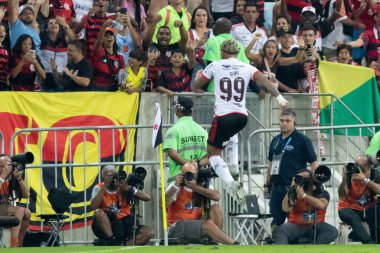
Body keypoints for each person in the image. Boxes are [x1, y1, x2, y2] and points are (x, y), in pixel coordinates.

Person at [194, 39, 289, 186]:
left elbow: (197, 85)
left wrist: (198, 81)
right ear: (237, 53)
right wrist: (279, 97)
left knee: (213, 154)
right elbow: (264, 81)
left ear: (222, 52)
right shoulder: (247, 67)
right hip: (241, 116)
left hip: (223, 116)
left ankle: (232, 183)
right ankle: (233, 167)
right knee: (229, 137)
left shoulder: (215, 65)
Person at [264, 109, 319, 228]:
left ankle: (297, 245)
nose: (284, 123)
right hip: (276, 188)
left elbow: (313, 162)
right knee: (275, 221)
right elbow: (271, 163)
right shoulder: (275, 140)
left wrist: (316, 183)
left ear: (294, 123)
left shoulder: (302, 140)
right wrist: (266, 184)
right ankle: (275, 243)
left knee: (294, 221)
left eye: (287, 121)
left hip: (293, 187)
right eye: (281, 120)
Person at [165, 162, 237, 244]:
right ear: (182, 175)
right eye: (187, 174)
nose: (190, 177)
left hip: (197, 226)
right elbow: (162, 205)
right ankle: (234, 244)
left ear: (197, 173)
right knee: (208, 224)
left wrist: (196, 187)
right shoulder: (175, 186)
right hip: (177, 227)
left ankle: (213, 242)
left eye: (193, 174)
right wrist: (175, 185)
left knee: (217, 208)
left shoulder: (202, 185)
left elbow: (217, 197)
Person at [91, 165, 154, 245]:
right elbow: (93, 206)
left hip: (125, 223)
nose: (112, 178)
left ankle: (125, 245)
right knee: (98, 212)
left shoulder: (124, 185)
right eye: (109, 175)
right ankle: (113, 241)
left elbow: (147, 197)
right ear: (104, 177)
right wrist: (104, 186)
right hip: (109, 224)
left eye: (114, 175)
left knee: (149, 233)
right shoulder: (98, 187)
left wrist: (128, 188)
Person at [274, 169, 338, 244]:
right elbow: (285, 208)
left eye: (307, 179)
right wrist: (292, 187)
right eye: (301, 179)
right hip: (296, 225)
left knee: (332, 231)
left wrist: (304, 195)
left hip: (317, 225)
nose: (305, 181)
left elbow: (321, 205)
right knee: (281, 230)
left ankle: (311, 249)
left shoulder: (320, 192)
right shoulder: (294, 193)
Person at [163, 96, 209, 181]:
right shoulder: (203, 131)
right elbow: (210, 155)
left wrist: (188, 166)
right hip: (197, 179)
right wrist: (195, 165)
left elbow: (172, 153)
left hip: (178, 178)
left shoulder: (173, 130)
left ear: (178, 110)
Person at [338, 155, 380, 244]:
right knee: (353, 218)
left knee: (377, 213)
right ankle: (369, 243)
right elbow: (342, 196)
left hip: (368, 208)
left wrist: (365, 179)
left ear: (369, 167)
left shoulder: (374, 173)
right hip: (348, 207)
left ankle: (377, 242)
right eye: (359, 166)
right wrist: (346, 177)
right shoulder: (351, 174)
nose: (361, 170)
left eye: (364, 167)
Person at [0, 155, 31, 247]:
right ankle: (13, 246)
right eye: (7, 165)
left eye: (11, 165)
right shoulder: (3, 177)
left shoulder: (11, 177)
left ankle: (19, 244)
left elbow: (26, 195)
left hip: (3, 208)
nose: (10, 167)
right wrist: (2, 177)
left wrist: (19, 178)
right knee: (19, 210)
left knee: (27, 212)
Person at [91, 21, 125, 91]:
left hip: (112, 88)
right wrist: (104, 26)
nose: (108, 37)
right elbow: (98, 42)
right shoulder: (99, 52)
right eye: (106, 35)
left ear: (114, 38)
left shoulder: (119, 57)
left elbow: (123, 74)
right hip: (97, 88)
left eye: (111, 35)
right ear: (102, 39)